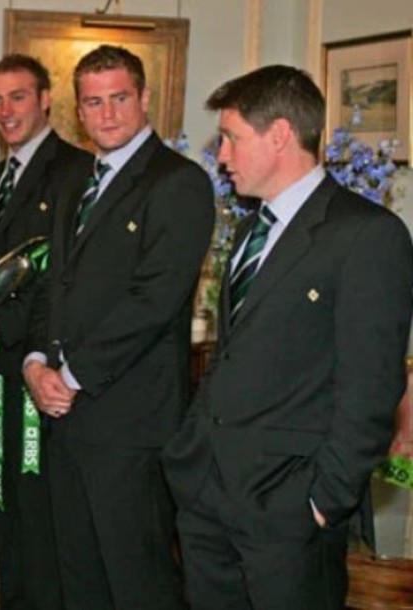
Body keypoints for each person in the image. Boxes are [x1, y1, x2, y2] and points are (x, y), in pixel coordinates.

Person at [161, 65, 413, 610]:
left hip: (287, 512)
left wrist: (320, 503)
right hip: (208, 496)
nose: (221, 155)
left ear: (278, 136)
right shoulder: (255, 228)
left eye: (230, 137)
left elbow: (371, 387)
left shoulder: (368, 235)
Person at [23, 45, 214, 610]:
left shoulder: (178, 182)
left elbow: (153, 300)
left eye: (120, 99)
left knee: (137, 580)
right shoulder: (73, 182)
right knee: (78, 576)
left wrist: (72, 374)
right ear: (77, 112)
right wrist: (35, 364)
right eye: (93, 103)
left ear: (145, 98)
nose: (107, 114)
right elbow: (50, 285)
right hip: (64, 415)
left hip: (130, 421)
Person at [0, 54, 92, 610]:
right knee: (7, 514)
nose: (6, 111)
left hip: (37, 373)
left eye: (18, 97)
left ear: (47, 99)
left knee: (40, 519)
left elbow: (63, 282)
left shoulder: (77, 172)